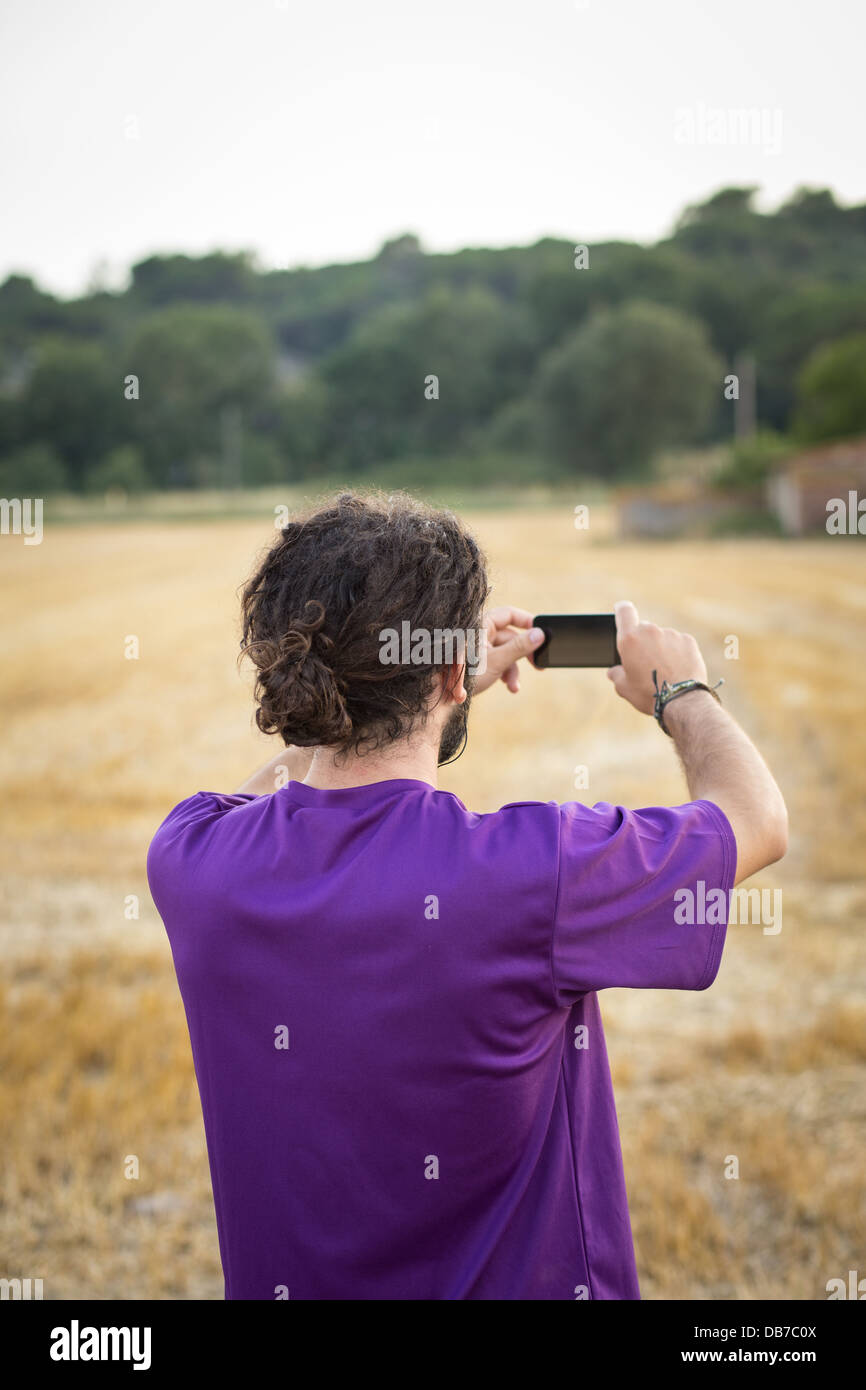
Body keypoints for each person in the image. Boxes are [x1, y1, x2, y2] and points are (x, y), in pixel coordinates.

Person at [147, 490, 787, 1300]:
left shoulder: (191, 861)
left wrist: (423, 692)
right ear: (451, 670)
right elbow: (757, 822)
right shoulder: (533, 872)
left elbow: (273, 795)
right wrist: (683, 693)